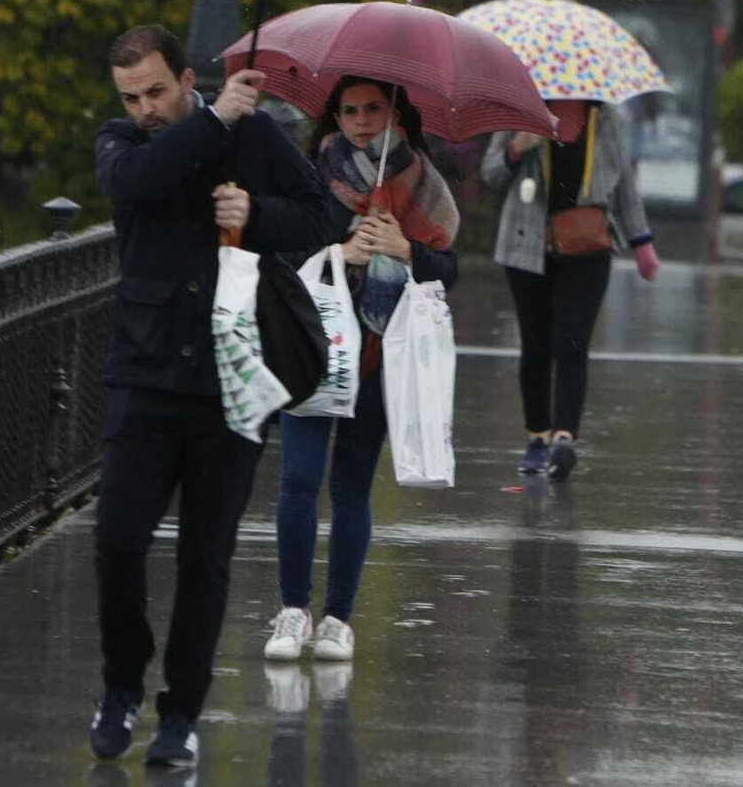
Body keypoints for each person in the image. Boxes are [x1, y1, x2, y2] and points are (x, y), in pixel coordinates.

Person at [89, 24, 333, 768]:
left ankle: (180, 714)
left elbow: (323, 215)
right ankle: (122, 686)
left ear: (186, 76)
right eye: (132, 96)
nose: (145, 108)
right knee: (117, 540)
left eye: (158, 91)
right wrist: (211, 119)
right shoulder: (124, 142)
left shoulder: (251, 136)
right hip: (146, 373)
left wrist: (254, 215)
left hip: (232, 377)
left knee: (207, 556)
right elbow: (138, 181)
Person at [263, 77, 459, 664]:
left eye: (374, 108)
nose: (361, 120)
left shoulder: (423, 181)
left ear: (396, 112)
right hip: (312, 348)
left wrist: (406, 251)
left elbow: (448, 269)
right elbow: (277, 253)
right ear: (335, 117)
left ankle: (337, 620)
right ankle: (293, 610)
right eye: (350, 110)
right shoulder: (310, 175)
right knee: (297, 481)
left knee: (350, 487)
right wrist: (338, 253)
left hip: (380, 354)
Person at [481, 100, 659, 480]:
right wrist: (516, 148)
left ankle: (564, 438)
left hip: (588, 244)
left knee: (573, 342)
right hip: (527, 245)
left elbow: (624, 181)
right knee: (536, 346)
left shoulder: (606, 119)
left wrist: (641, 241)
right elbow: (491, 174)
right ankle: (538, 437)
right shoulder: (520, 110)